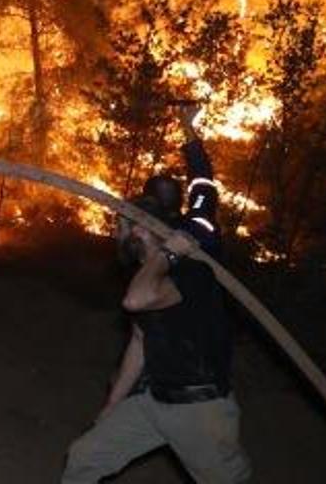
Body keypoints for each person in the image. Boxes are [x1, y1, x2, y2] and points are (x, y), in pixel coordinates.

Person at [60, 196, 251, 483]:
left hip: (200, 411)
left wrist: (168, 253)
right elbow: (139, 342)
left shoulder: (191, 271)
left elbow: (137, 301)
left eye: (121, 226)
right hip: (153, 402)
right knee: (84, 458)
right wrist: (113, 404)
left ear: (141, 230)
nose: (116, 233)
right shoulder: (146, 275)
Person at [141, 103, 223, 260]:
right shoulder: (194, 226)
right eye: (167, 191)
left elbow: (202, 184)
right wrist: (187, 125)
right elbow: (203, 182)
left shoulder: (139, 232)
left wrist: (187, 125)